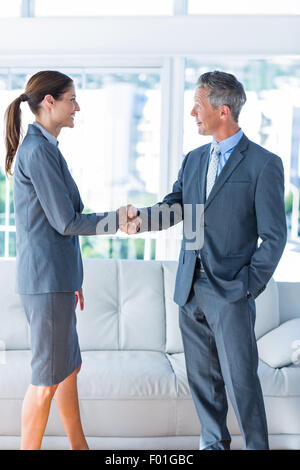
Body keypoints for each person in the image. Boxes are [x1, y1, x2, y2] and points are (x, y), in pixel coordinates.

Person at [121, 71, 287, 450]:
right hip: (189, 285)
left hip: (231, 291)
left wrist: (247, 285)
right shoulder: (195, 159)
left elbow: (275, 236)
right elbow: (180, 207)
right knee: (203, 379)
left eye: (198, 105)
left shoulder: (263, 164)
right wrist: (141, 220)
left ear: (223, 110)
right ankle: (214, 445)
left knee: (241, 379)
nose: (193, 113)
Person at [4, 70, 140, 450]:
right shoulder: (37, 151)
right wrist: (117, 220)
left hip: (56, 280)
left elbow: (51, 224)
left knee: (68, 370)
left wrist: (72, 277)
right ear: (50, 102)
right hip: (46, 283)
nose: (76, 106)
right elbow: (65, 221)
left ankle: (80, 447)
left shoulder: (45, 148)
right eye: (71, 99)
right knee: (46, 379)